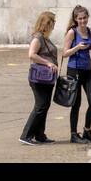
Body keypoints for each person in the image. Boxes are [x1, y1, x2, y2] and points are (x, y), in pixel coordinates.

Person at [62, 5, 91, 144]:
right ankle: (73, 134)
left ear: (88, 17)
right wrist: (77, 47)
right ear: (75, 19)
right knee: (76, 104)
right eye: (80, 18)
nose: (82, 21)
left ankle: (87, 130)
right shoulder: (72, 33)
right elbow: (64, 53)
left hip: (87, 70)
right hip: (74, 70)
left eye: (84, 18)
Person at [20, 10, 58, 146]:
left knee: (45, 105)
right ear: (46, 23)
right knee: (40, 105)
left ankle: (40, 135)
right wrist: (48, 63)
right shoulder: (38, 37)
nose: (54, 25)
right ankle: (26, 135)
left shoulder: (45, 37)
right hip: (39, 78)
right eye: (52, 22)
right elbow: (32, 55)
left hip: (47, 78)